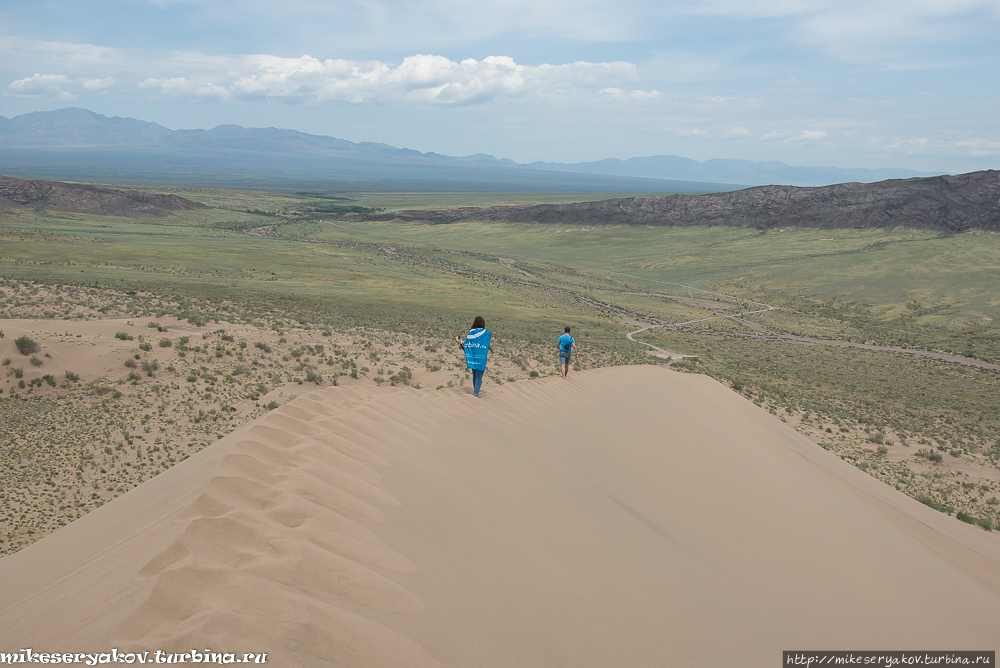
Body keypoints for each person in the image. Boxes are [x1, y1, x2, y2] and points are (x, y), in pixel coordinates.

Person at [457, 315, 494, 397]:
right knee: (479, 376)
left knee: (475, 374)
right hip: (481, 358)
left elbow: (468, 344)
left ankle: (476, 390)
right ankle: (475, 393)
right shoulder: (486, 333)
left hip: (473, 357)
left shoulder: (471, 332)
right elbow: (485, 343)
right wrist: (491, 349)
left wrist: (461, 342)